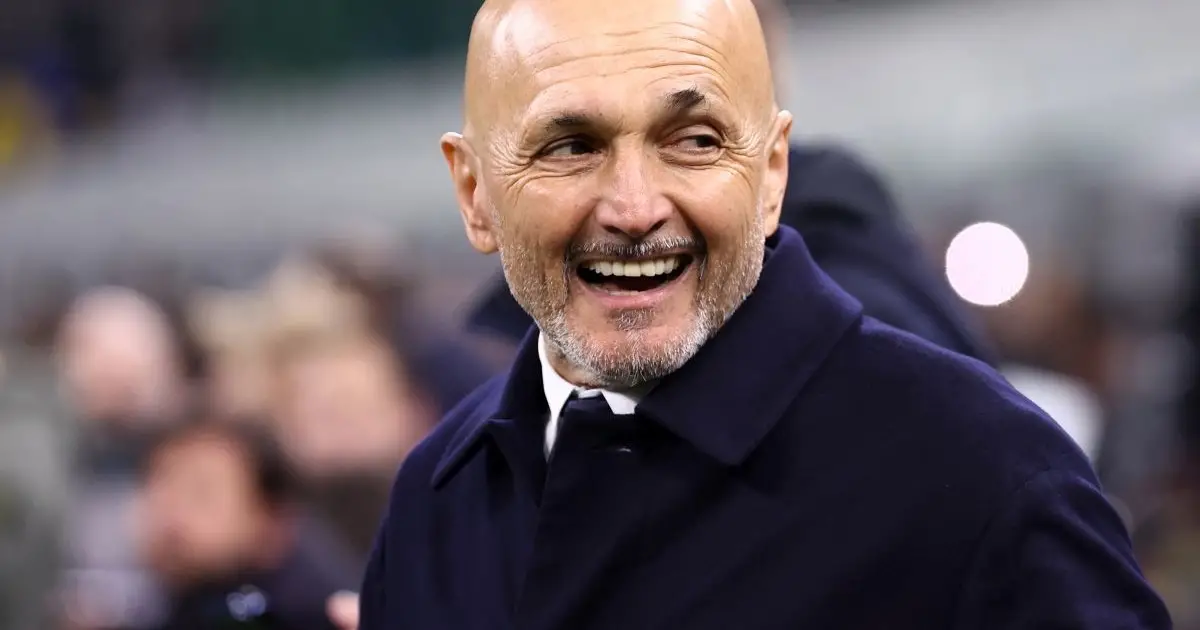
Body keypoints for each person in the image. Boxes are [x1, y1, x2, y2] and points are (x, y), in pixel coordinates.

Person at [356, 0, 1170, 628]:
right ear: (474, 193)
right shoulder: (435, 501)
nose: (634, 208)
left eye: (694, 140)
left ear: (773, 173)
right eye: (571, 147)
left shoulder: (983, 473)